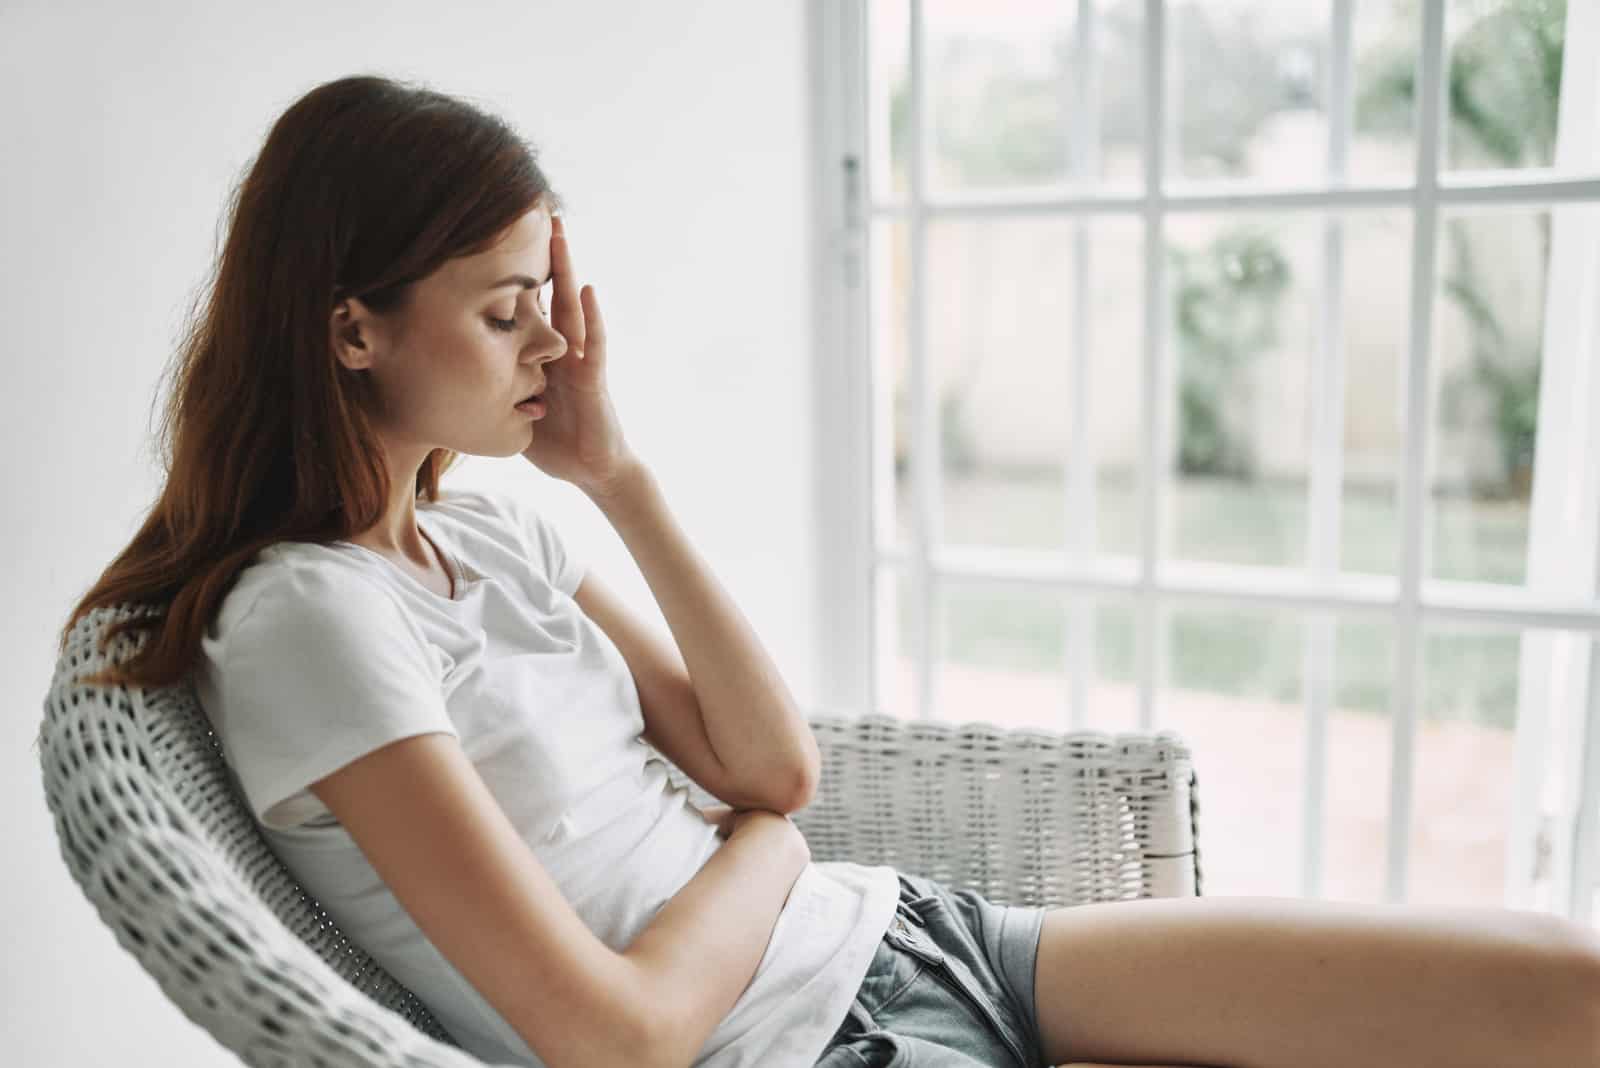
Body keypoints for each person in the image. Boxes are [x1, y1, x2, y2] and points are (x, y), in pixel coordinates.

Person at [60, 74, 1600, 1068]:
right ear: (352, 331)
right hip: (809, 1045)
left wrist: (618, 478)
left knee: (1556, 986)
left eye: (551, 299)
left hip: (924, 937)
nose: (557, 340)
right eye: (508, 308)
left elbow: (770, 761)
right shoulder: (308, 620)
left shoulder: (487, 526)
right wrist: (766, 854)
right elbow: (625, 1040)